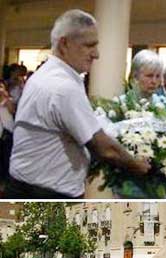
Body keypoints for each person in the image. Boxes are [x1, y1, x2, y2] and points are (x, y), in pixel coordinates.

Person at [6, 9, 150, 199]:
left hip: (26, 187)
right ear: (64, 44)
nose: (96, 54)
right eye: (89, 46)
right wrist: (138, 165)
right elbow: (105, 148)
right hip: (47, 196)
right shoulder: (63, 87)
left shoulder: (47, 74)